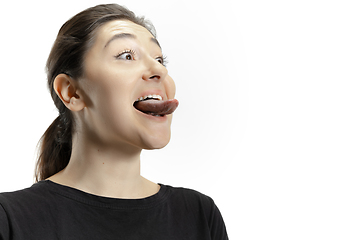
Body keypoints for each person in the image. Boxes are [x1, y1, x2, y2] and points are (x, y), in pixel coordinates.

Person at [0, 4, 228, 239]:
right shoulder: (10, 219)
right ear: (71, 92)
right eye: (127, 56)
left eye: (160, 59)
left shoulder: (198, 215)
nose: (158, 69)